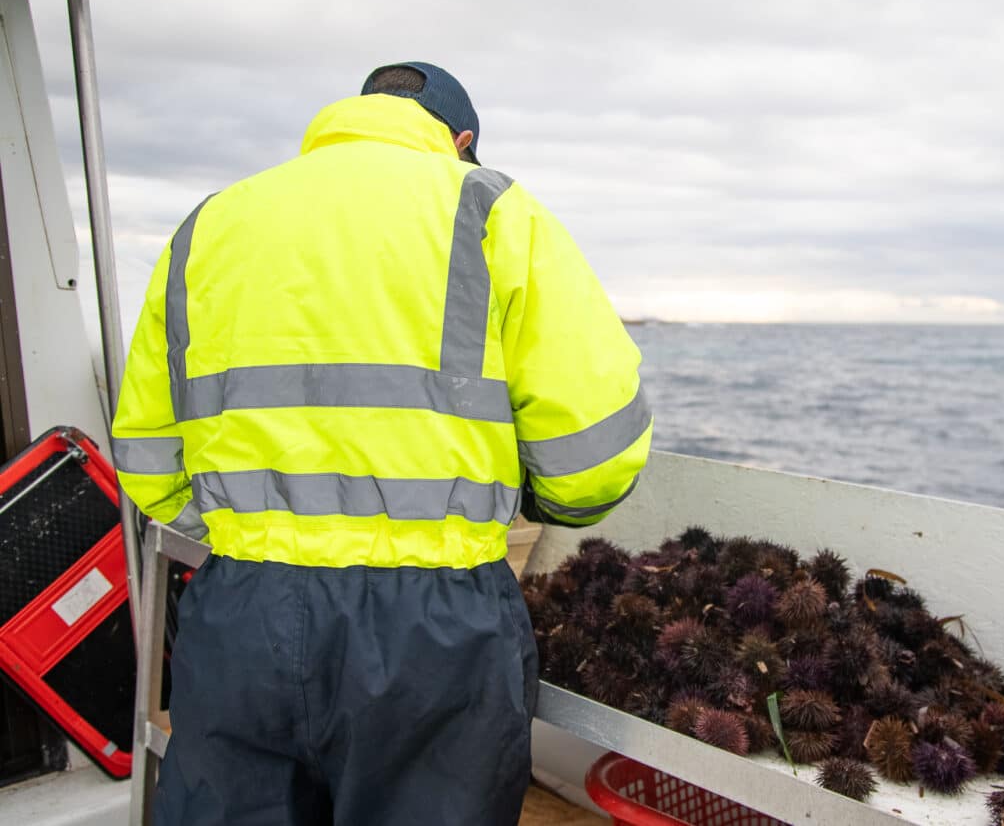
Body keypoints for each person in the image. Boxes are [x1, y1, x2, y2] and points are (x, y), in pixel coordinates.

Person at [111, 61, 652, 826]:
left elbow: (147, 455)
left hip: (242, 609)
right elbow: (595, 457)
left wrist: (246, 536)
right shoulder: (492, 208)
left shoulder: (211, 221)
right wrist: (535, 499)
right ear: (459, 140)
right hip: (432, 626)